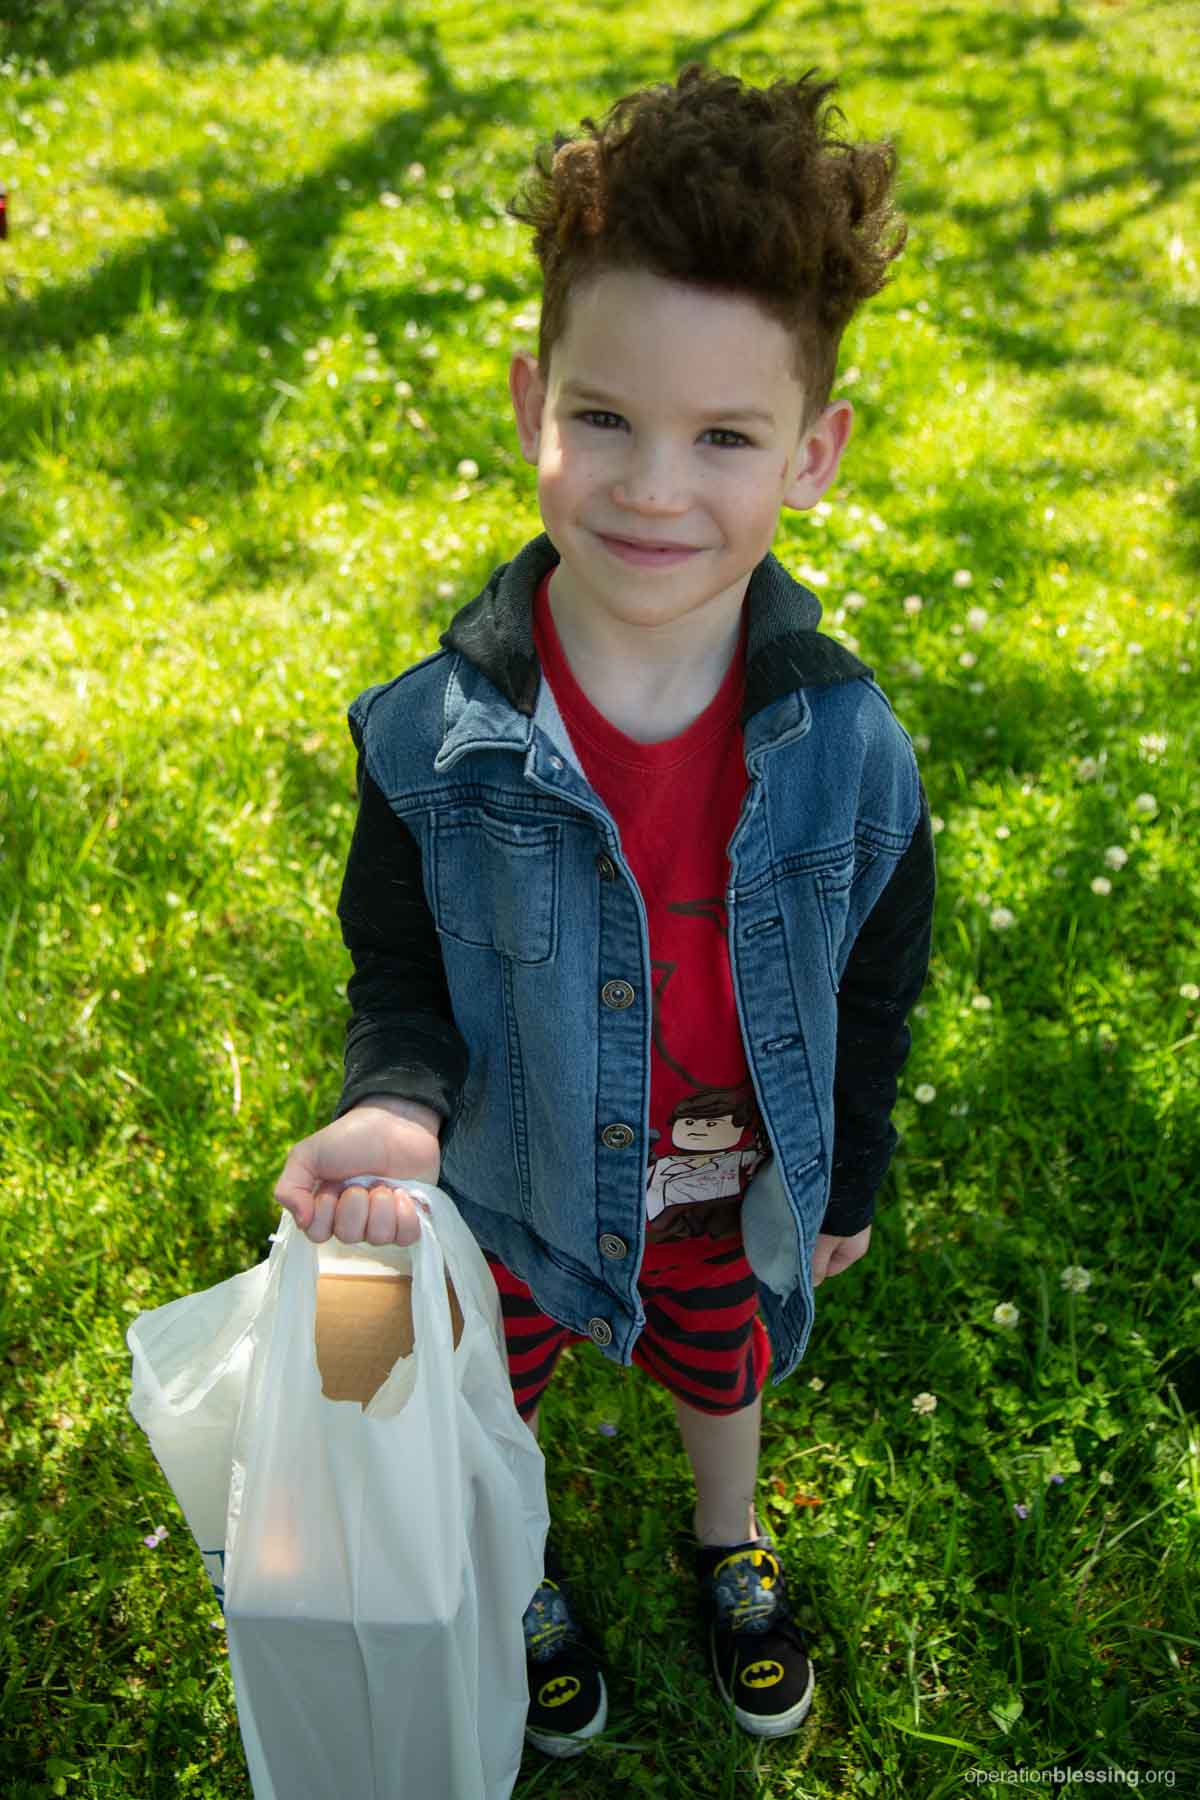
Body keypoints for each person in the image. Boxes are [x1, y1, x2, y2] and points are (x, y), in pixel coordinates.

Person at [274, 62, 935, 1757]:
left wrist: (850, 1166)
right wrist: (392, 1105)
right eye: (608, 419)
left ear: (814, 455)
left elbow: (875, 978)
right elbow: (397, 968)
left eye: (725, 437)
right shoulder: (432, 739)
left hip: (723, 1183)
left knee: (724, 1359)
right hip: (511, 1189)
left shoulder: (850, 748)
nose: (653, 487)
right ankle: (516, 1566)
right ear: (531, 407)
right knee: (483, 1390)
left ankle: (729, 1535)